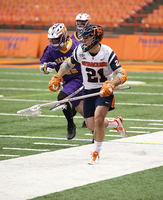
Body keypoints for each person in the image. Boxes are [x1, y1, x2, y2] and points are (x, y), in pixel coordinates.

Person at [48, 25, 128, 165]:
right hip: (88, 90)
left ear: (95, 38)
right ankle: (115, 123)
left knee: (98, 119)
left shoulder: (107, 52)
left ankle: (96, 153)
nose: (83, 41)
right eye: (83, 38)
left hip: (104, 91)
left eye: (86, 38)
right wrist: (58, 76)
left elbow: (122, 73)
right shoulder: (80, 50)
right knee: (91, 125)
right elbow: (68, 64)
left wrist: (111, 84)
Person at [39, 23, 83, 140]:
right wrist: (45, 68)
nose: (53, 43)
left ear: (64, 36)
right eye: (51, 40)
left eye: (56, 39)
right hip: (67, 81)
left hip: (81, 79)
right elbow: (42, 65)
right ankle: (110, 124)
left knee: (62, 97)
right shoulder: (50, 49)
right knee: (84, 112)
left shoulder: (76, 46)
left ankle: (70, 125)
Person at [69, 13, 91, 128]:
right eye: (79, 22)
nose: (80, 25)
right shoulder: (71, 38)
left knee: (89, 94)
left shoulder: (92, 36)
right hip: (77, 71)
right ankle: (79, 112)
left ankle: (88, 117)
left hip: (88, 68)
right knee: (76, 93)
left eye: (83, 23)